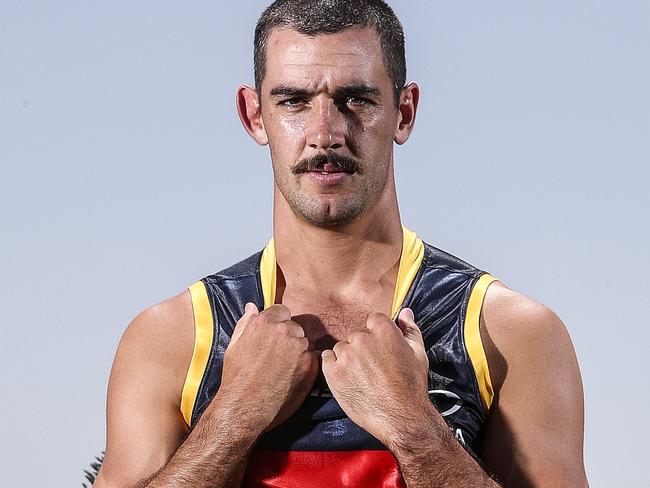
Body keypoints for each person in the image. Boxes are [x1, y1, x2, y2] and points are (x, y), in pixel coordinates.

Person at [93, 1, 588, 486]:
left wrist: (415, 428)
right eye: (293, 101)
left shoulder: (508, 334)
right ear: (254, 115)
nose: (325, 133)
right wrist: (232, 419)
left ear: (404, 112)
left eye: (356, 99)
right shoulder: (173, 337)